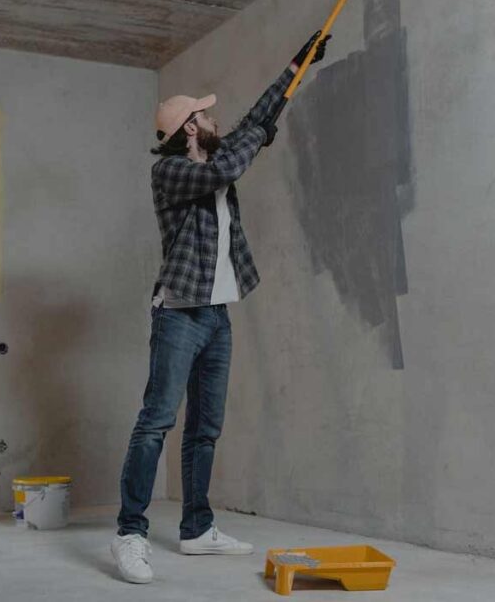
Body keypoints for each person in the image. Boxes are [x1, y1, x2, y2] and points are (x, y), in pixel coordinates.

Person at [111, 32, 331, 584]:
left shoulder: (214, 151)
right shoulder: (171, 172)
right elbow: (224, 169)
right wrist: (257, 136)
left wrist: (294, 64)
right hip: (179, 313)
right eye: (205, 116)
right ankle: (130, 534)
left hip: (216, 316)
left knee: (205, 427)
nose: (214, 120)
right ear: (189, 127)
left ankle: (196, 529)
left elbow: (255, 121)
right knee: (156, 421)